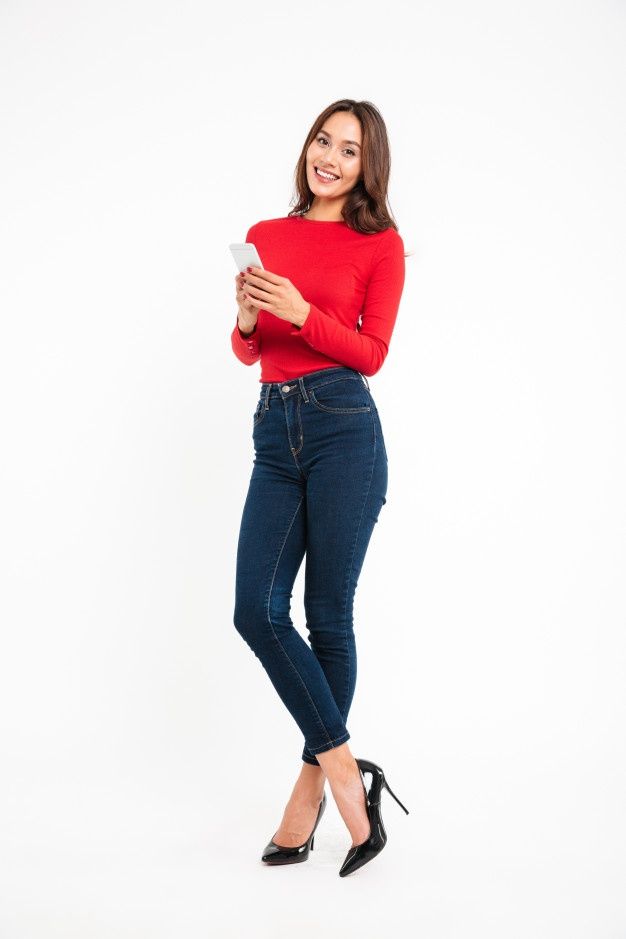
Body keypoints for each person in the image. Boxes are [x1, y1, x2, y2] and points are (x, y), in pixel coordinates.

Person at [230, 99, 409, 877]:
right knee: (256, 609)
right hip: (276, 428)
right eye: (322, 141)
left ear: (368, 167)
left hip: (344, 429)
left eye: (349, 149)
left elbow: (371, 351)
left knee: (327, 615)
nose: (330, 158)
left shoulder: (382, 244)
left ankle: (308, 795)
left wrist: (303, 313)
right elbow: (250, 352)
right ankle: (346, 772)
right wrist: (245, 319)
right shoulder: (268, 236)